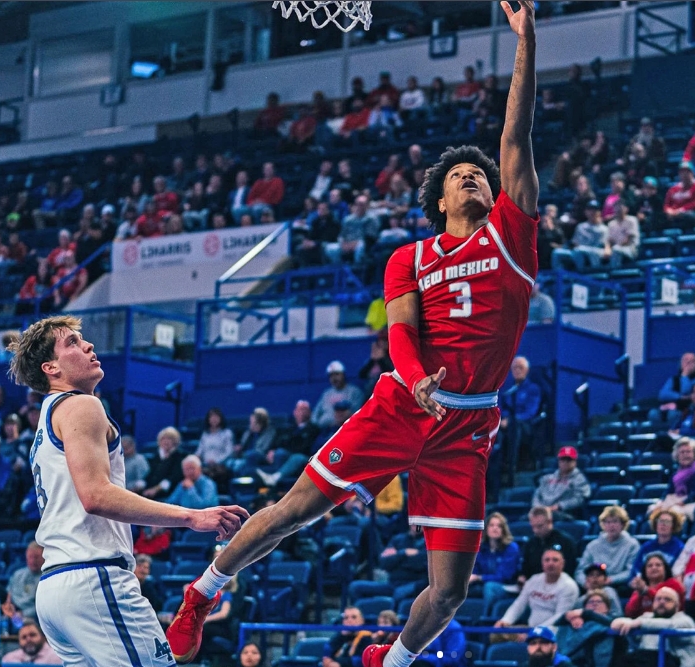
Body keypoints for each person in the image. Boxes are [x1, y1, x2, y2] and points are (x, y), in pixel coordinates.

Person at [173, 10, 542, 667]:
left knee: (449, 590)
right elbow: (400, 332)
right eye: (459, 174)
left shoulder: (511, 236)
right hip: (401, 403)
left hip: (467, 425)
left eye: (479, 174)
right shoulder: (410, 256)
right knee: (294, 511)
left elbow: (516, 133)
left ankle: (388, 660)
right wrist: (416, 377)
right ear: (437, 201)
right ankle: (200, 594)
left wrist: (527, 42)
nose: (473, 176)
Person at [5, 316, 246, 665]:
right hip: (92, 577)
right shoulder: (80, 405)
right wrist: (192, 516)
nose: (88, 346)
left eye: (83, 339)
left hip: (56, 588)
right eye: (72, 343)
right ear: (51, 367)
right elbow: (96, 496)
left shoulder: (46, 419)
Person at [613, 588, 695, 667]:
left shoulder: (685, 620)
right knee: (622, 659)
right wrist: (619, 622)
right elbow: (625, 625)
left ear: (677, 606)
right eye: (658, 599)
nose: (662, 602)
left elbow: (669, 625)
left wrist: (638, 622)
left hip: (676, 662)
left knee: (653, 657)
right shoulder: (647, 617)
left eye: (668, 599)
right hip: (645, 660)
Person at [497, 546, 580, 629]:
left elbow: (560, 616)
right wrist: (506, 620)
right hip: (530, 628)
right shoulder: (534, 580)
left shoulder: (569, 586)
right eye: (547, 560)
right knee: (496, 633)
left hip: (554, 631)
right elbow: (519, 604)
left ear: (562, 564)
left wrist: (537, 632)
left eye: (555, 560)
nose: (550, 563)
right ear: (542, 564)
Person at [576, 505, 640, 587]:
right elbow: (580, 571)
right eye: (608, 522)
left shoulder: (632, 545)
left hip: (619, 586)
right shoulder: (593, 546)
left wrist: (611, 580)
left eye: (615, 521)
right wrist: (586, 582)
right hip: (593, 586)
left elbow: (631, 571)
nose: (611, 525)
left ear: (623, 524)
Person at [471, 512, 521, 611]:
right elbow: (475, 569)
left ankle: (484, 620)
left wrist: (478, 578)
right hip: (483, 584)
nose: (495, 528)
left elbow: (504, 576)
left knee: (490, 587)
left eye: (499, 526)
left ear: (504, 530)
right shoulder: (481, 548)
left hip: (506, 586)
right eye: (492, 525)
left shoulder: (511, 548)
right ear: (487, 529)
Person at [651, 438, 695, 518]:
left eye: (688, 452)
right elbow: (669, 491)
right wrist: (661, 501)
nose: (685, 455)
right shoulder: (676, 472)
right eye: (682, 452)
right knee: (653, 510)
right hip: (677, 500)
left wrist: (680, 503)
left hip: (693, 503)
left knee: (673, 512)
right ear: (677, 455)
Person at [533, 446, 592, 516]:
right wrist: (538, 507)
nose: (565, 462)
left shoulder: (580, 479)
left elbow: (579, 499)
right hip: (542, 512)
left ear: (575, 462)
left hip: (563, 512)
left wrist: (559, 506)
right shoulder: (546, 478)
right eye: (563, 459)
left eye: (569, 460)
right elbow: (537, 494)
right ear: (559, 461)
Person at [7, 542, 44, 620]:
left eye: (36, 557)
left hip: (37, 617)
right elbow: (8, 597)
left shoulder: (47, 578)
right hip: (15, 615)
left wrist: (23, 614)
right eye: (30, 557)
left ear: (44, 557)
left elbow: (44, 605)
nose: (33, 560)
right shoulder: (17, 575)